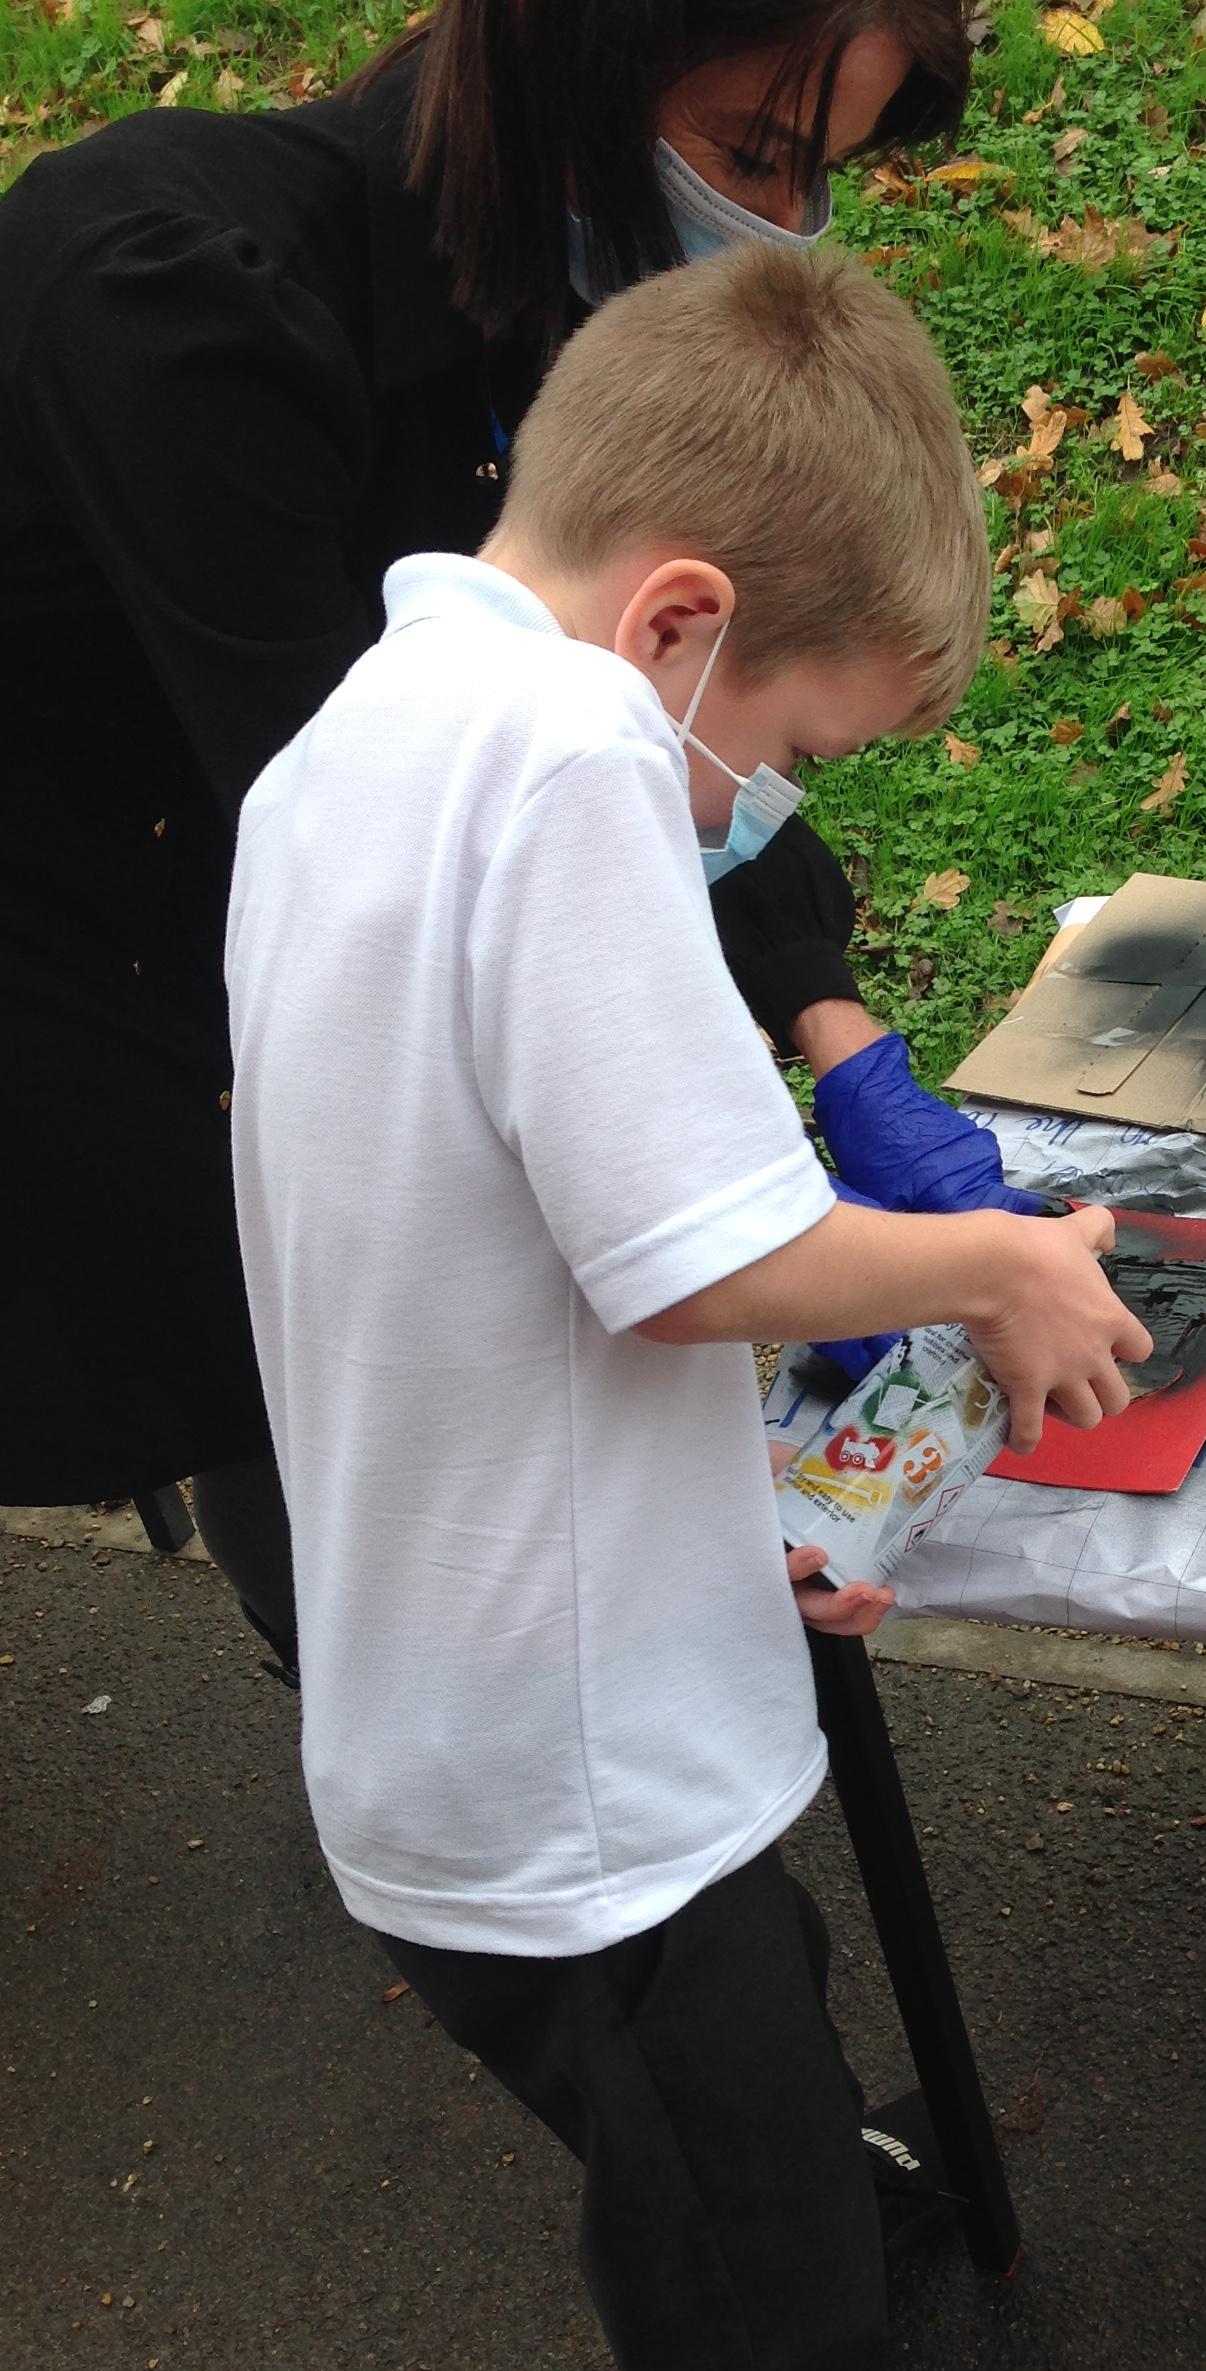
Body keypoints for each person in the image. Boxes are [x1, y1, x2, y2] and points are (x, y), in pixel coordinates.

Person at [224, 238, 1151, 2371]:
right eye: (800, 752)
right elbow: (699, 1256)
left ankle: (792, 2201)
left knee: (745, 2041)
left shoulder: (360, 733)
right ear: (676, 623)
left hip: (473, 1644)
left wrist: (716, 1506)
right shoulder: (564, 759)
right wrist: (997, 1265)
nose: (771, 808)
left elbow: (486, 1238)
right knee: (710, 2153)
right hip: (555, 1755)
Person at [0, 0, 1032, 1678]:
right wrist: (769, 1240)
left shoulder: (550, 313)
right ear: (593, 55)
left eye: (820, 176)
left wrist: (832, 1027)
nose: (778, 220)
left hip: (238, 919)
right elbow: (459, 823)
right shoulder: (177, 302)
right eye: (754, 152)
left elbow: (647, 720)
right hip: (81, 955)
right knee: (286, 1369)